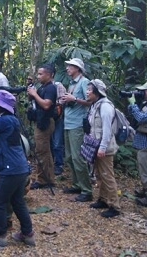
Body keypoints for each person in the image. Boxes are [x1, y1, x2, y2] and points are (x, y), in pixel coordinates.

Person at [0, 90, 35, 247]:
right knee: (17, 201)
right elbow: (6, 144)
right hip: (19, 166)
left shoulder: (5, 121)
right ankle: (27, 234)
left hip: (10, 169)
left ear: (0, 106)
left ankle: (0, 235)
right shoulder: (11, 119)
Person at [84, 80, 121, 218]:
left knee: (107, 175)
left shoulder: (105, 107)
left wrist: (103, 147)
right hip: (96, 145)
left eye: (89, 90)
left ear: (97, 92)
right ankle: (103, 199)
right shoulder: (95, 105)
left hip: (104, 147)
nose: (87, 92)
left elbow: (107, 129)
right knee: (99, 174)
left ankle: (114, 206)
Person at [60, 58, 92, 202]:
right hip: (68, 123)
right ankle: (77, 184)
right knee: (68, 157)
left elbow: (90, 102)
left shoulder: (84, 82)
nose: (67, 68)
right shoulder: (72, 83)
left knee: (78, 157)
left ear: (78, 69)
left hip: (78, 124)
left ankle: (87, 190)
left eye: (70, 66)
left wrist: (74, 99)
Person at [27, 64, 57, 190]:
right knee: (45, 151)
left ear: (48, 75)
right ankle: (48, 177)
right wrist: (31, 92)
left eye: (40, 74)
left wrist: (34, 94)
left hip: (45, 122)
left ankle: (42, 179)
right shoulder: (42, 87)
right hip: (40, 120)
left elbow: (46, 105)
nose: (38, 76)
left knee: (41, 150)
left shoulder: (51, 88)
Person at [51, 76, 66, 176]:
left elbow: (62, 101)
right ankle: (50, 164)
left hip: (57, 118)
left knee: (57, 142)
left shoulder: (58, 86)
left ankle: (59, 164)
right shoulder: (41, 86)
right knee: (50, 142)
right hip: (47, 118)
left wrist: (51, 104)